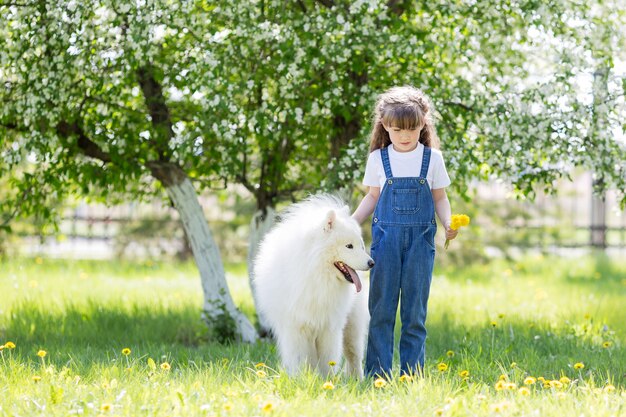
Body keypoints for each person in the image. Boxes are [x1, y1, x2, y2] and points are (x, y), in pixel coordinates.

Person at [351, 86, 457, 378]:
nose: (405, 135)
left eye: (411, 128)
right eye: (397, 129)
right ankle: (378, 376)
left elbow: (440, 198)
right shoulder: (378, 159)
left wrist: (448, 223)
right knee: (381, 312)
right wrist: (351, 223)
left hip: (421, 245)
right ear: (385, 125)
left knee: (414, 316)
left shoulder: (432, 158)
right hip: (385, 245)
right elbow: (372, 197)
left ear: (423, 122)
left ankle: (412, 376)